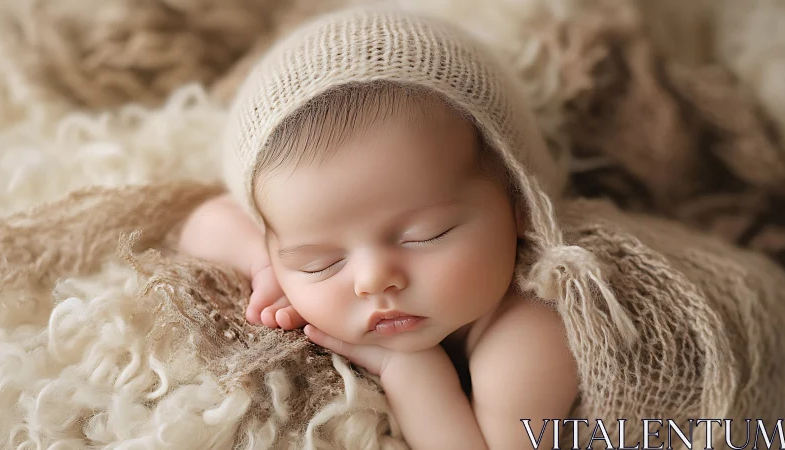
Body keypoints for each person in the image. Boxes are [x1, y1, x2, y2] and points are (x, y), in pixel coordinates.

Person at [178, 6, 634, 449]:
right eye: (320, 262)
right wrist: (264, 267)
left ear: (522, 205)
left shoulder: (532, 328)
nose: (374, 279)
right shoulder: (280, 242)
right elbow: (204, 222)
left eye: (425, 235)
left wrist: (408, 370)